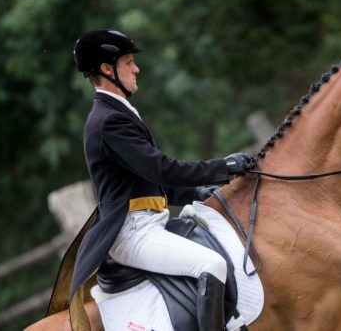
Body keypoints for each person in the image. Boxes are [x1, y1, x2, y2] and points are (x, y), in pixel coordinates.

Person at [70, 29, 255, 331]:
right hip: (132, 232)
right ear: (107, 69)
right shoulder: (109, 121)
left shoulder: (118, 112)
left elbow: (151, 181)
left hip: (148, 222)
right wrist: (223, 167)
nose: (136, 69)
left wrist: (196, 190)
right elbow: (162, 169)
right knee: (212, 265)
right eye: (128, 62)